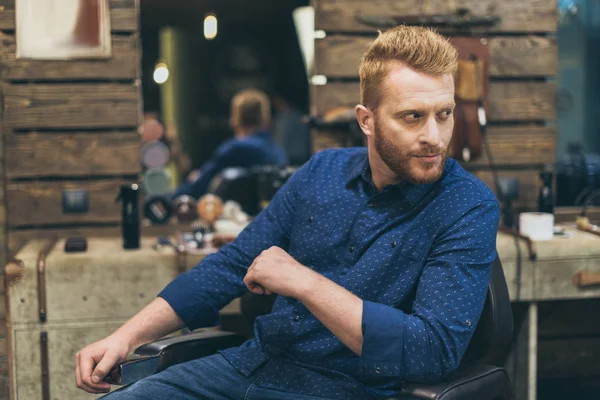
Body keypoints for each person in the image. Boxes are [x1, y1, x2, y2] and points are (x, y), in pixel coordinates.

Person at [76, 25, 500, 400]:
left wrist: (304, 283)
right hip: (249, 366)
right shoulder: (321, 174)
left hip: (345, 388)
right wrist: (124, 337)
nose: (434, 136)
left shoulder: (466, 206)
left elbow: (431, 352)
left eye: (444, 115)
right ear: (367, 120)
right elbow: (229, 266)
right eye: (412, 117)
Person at [172, 89, 288, 200]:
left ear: (234, 120)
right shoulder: (277, 153)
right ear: (266, 119)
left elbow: (197, 187)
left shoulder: (234, 149)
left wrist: (168, 199)